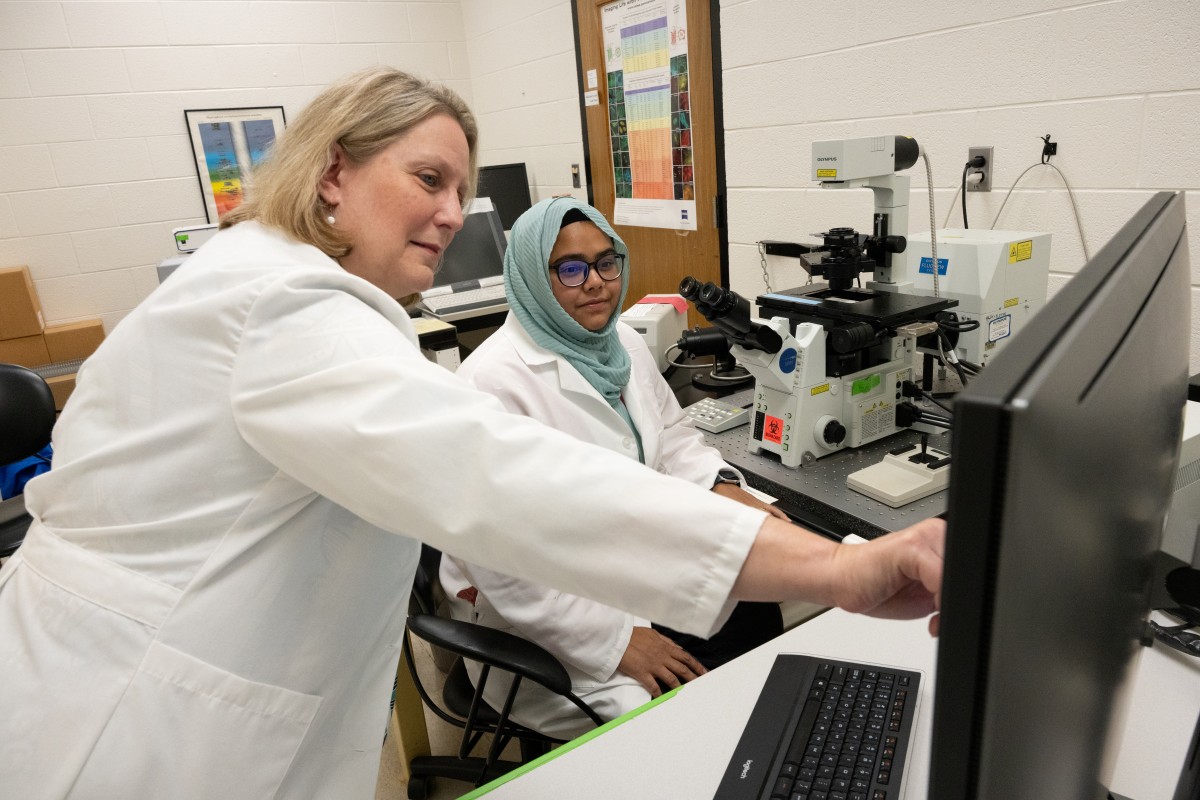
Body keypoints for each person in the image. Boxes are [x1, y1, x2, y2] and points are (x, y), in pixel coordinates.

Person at [0, 66, 945, 799]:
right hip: (126, 716)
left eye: (460, 187)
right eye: (426, 178)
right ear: (333, 172)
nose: (454, 213)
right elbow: (504, 483)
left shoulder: (278, 291)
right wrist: (837, 568)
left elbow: (642, 457)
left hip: (156, 673)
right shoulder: (278, 304)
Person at [440, 197, 789, 738]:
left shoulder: (619, 341)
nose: (596, 282)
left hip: (629, 562)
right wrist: (616, 642)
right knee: (659, 719)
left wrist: (722, 486)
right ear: (533, 275)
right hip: (544, 616)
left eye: (607, 262)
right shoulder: (489, 384)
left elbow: (671, 438)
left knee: (753, 609)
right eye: (571, 269)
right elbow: (503, 563)